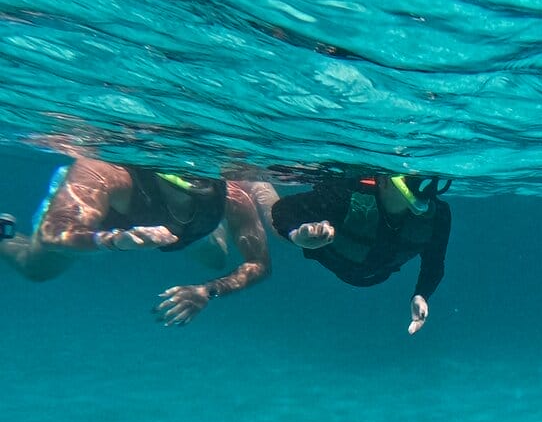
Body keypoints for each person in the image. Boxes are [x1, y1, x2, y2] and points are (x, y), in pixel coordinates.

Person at [0, 154, 270, 324]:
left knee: (216, 259)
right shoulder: (105, 173)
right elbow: (54, 232)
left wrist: (207, 291)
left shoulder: (231, 197)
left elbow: (259, 263)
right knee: (36, 268)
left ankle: (201, 230)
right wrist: (113, 240)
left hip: (188, 232)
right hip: (98, 226)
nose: (196, 169)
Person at [262, 163, 451, 335]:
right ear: (384, 180)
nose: (422, 190)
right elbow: (282, 210)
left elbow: (434, 264)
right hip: (322, 251)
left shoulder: (437, 217)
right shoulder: (343, 196)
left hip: (375, 272)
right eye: (412, 181)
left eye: (428, 183)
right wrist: (297, 236)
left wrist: (421, 295)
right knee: (279, 232)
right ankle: (259, 189)